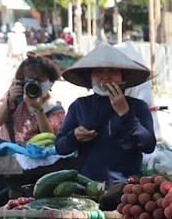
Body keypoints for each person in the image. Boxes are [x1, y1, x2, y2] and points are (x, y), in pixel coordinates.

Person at [55, 43, 157, 193]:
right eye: (99, 72)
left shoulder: (138, 106)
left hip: (128, 189)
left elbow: (149, 146)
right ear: (90, 76)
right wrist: (74, 137)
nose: (106, 76)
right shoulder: (80, 106)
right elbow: (60, 147)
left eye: (113, 71)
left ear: (123, 75)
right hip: (88, 187)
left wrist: (125, 113)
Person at [0, 54, 66, 147]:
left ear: (51, 82)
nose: (34, 84)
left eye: (39, 80)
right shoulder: (15, 98)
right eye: (29, 80)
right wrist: (9, 100)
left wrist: (38, 109)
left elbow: (50, 138)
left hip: (34, 152)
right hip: (6, 148)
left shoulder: (54, 108)